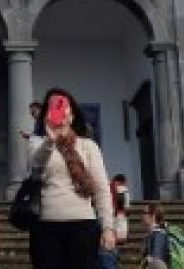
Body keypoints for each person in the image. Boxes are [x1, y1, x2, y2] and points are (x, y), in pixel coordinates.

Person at [28, 87, 115, 269]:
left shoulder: (88, 146)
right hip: (47, 226)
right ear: (46, 115)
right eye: (53, 108)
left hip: (83, 225)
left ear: (72, 116)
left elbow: (101, 189)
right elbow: (35, 168)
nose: (59, 112)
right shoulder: (38, 143)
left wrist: (108, 227)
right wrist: (50, 141)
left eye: (63, 107)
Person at [101, 174, 130, 269]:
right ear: (122, 181)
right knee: (115, 245)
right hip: (120, 218)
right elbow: (126, 206)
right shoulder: (123, 189)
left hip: (110, 218)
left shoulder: (108, 188)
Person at [139, 202, 171, 269]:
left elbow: (157, 263)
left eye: (144, 213)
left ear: (153, 216)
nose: (142, 215)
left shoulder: (158, 235)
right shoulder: (153, 234)